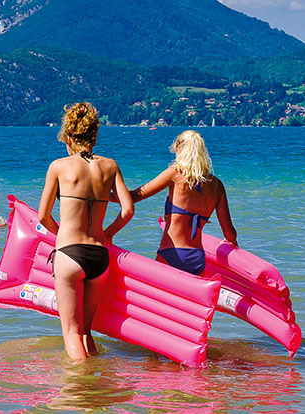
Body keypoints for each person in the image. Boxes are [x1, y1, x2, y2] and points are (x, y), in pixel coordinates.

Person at [38, 102, 133, 362]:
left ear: (68, 136)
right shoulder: (110, 166)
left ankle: (83, 388)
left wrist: (60, 236)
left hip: (70, 253)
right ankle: (97, 380)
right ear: (94, 135)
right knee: (86, 332)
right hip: (100, 258)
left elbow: (43, 216)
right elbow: (127, 210)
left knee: (71, 332)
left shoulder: (58, 166)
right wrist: (108, 234)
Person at [130, 130, 237, 276]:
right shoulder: (217, 185)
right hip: (197, 259)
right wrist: (231, 245)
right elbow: (229, 233)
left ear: (179, 149)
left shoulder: (175, 173)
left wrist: (103, 195)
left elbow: (137, 195)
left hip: (171, 253)